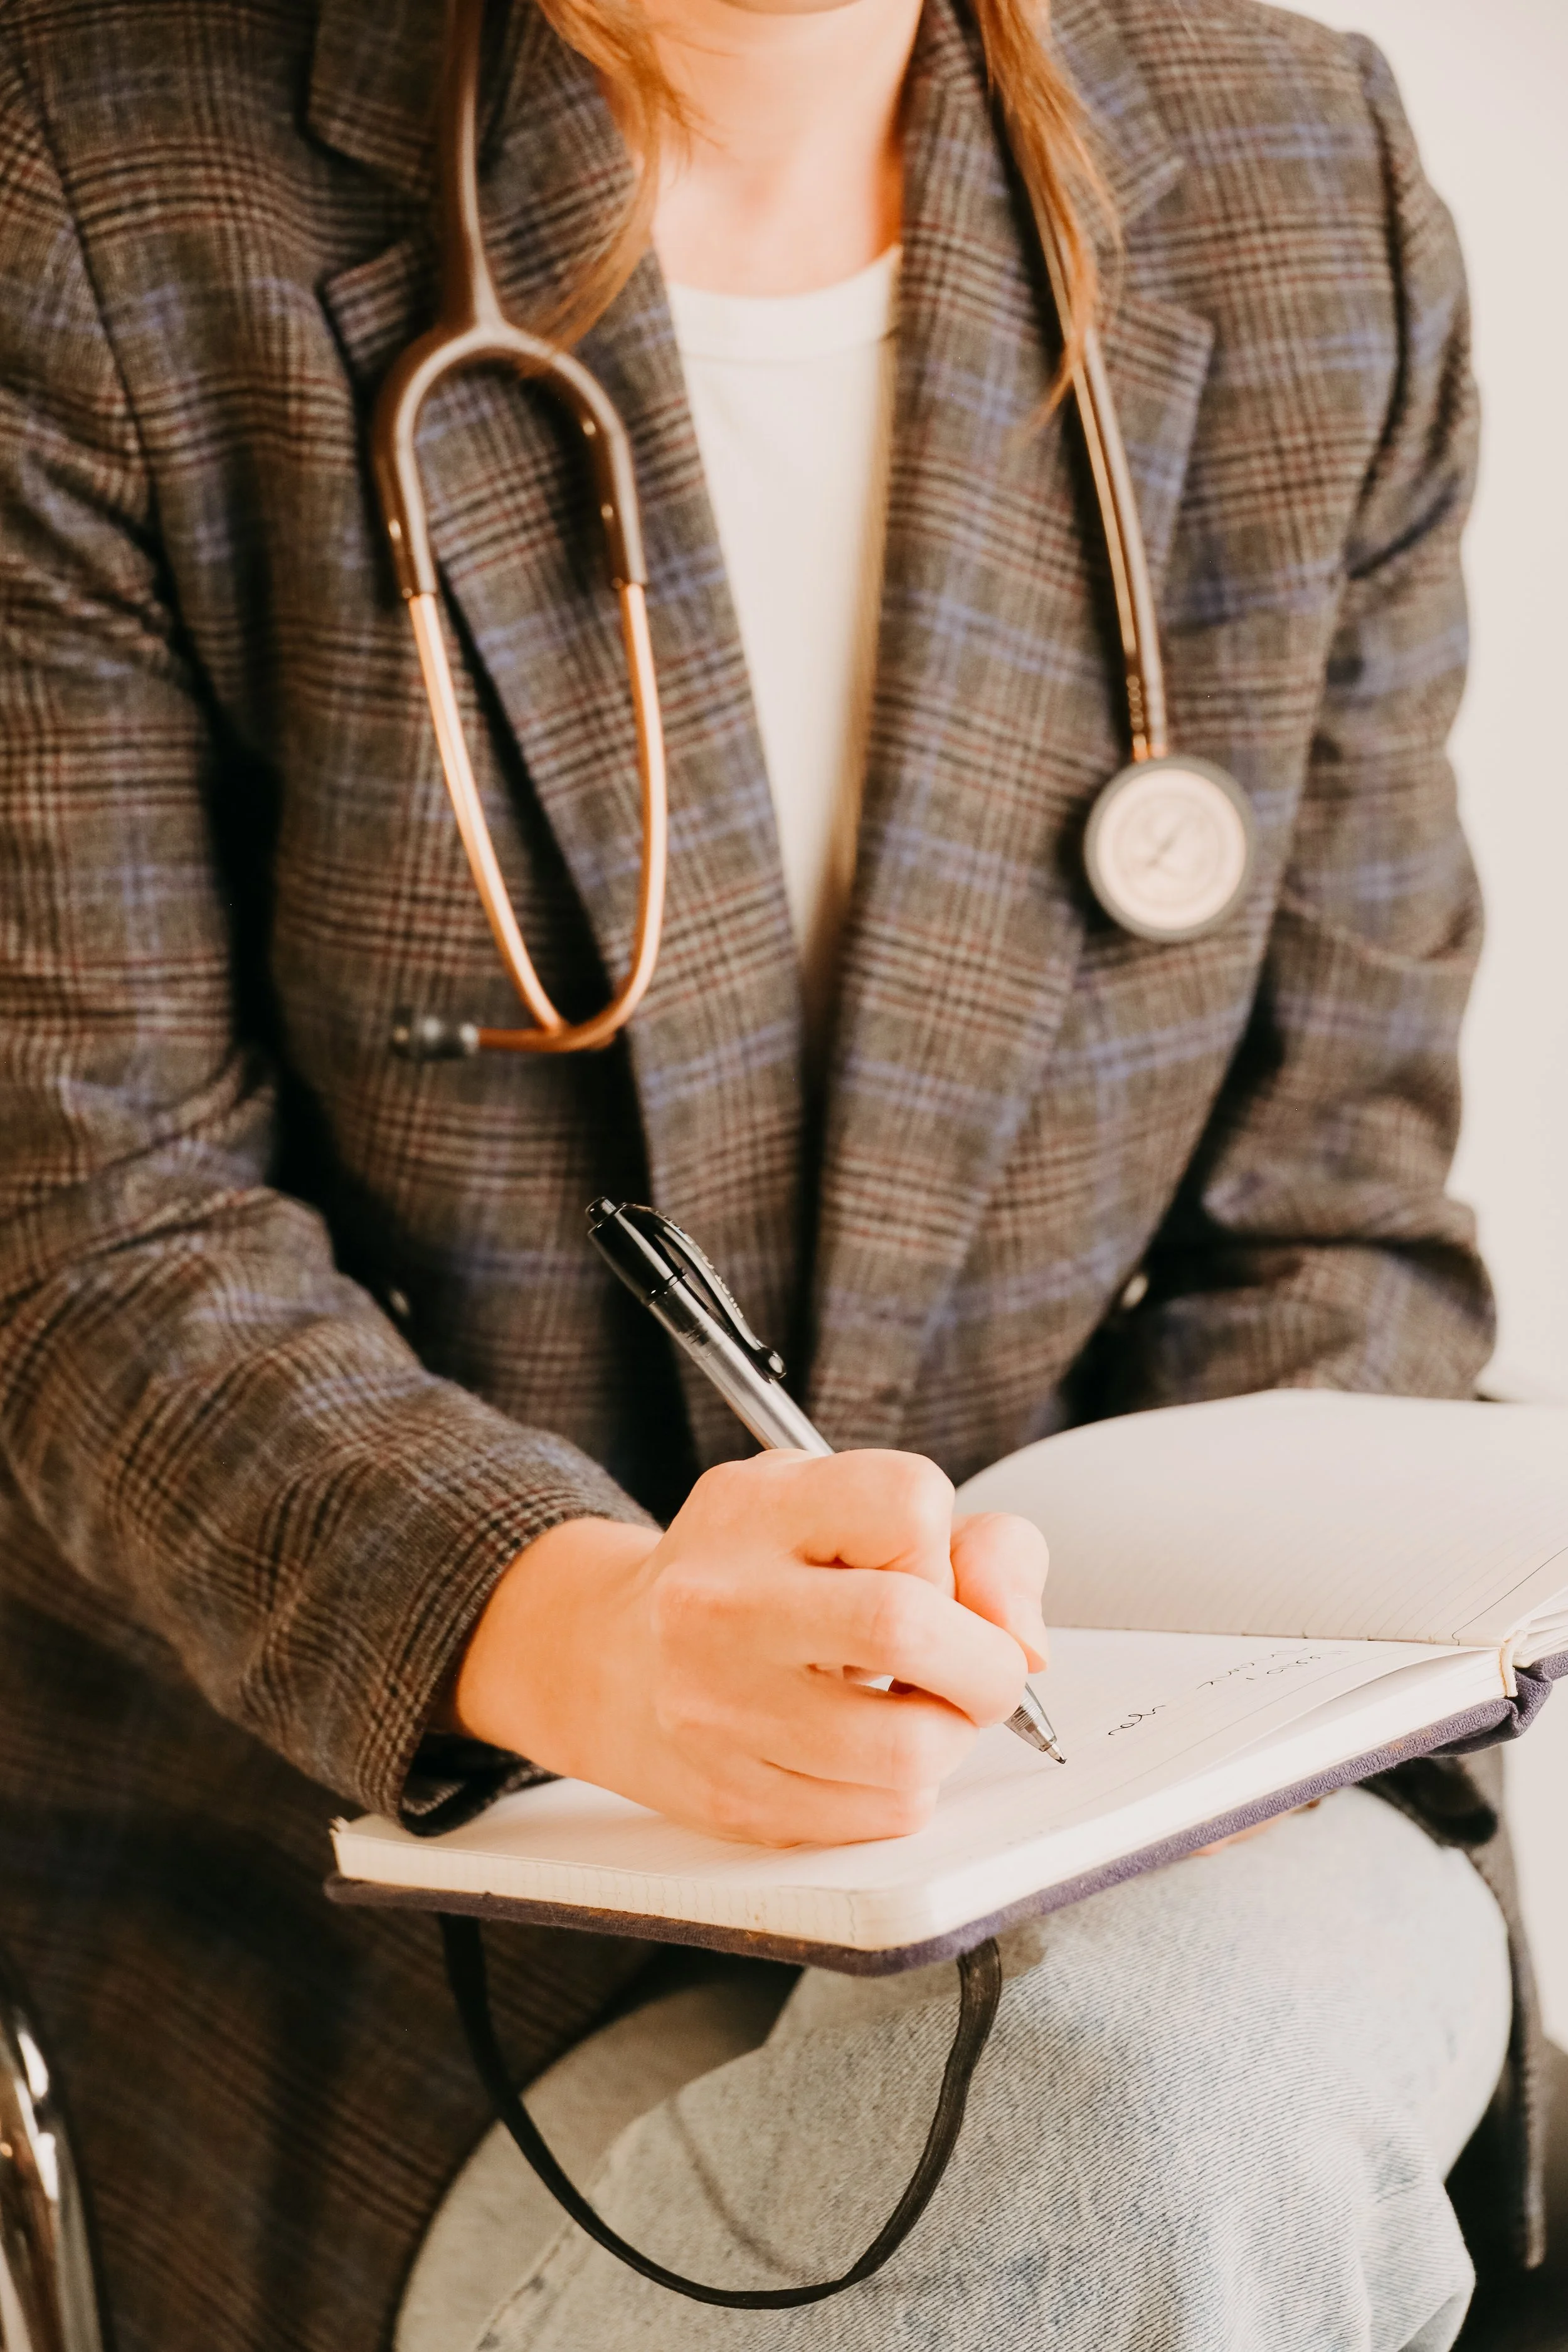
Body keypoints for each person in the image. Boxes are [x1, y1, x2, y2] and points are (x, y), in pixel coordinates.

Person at [0, 0, 1540, 2345]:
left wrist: (1172, 1744)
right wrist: (579, 1628)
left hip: (1143, 1835)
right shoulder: (93, 185)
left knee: (1182, 2087)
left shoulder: (1295, 174)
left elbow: (1325, 1225)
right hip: (428, 1923)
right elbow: (92, 1239)